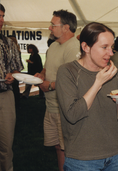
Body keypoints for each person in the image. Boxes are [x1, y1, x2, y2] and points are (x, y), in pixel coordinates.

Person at [56, 22, 118, 171]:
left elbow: (113, 114)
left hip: (116, 154)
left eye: (112, 47)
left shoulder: (113, 72)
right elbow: (72, 114)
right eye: (104, 47)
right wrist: (98, 82)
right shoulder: (67, 72)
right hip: (83, 159)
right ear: (86, 47)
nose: (111, 53)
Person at [34, 9, 79, 171]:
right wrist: (41, 74)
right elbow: (47, 68)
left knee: (68, 148)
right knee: (59, 147)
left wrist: (50, 85)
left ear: (66, 28)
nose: (50, 28)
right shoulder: (53, 46)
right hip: (51, 107)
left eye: (53, 25)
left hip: (65, 110)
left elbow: (73, 80)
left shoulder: (74, 48)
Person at [0, 4, 24, 171]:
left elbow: (16, 68)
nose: (1, 20)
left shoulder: (8, 42)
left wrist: (12, 75)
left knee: (6, 144)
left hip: (5, 96)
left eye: (2, 16)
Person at [7, 35, 22, 109]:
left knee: (13, 89)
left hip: (13, 73)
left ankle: (15, 103)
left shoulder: (14, 50)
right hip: (15, 73)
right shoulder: (18, 50)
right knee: (15, 88)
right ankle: (17, 103)